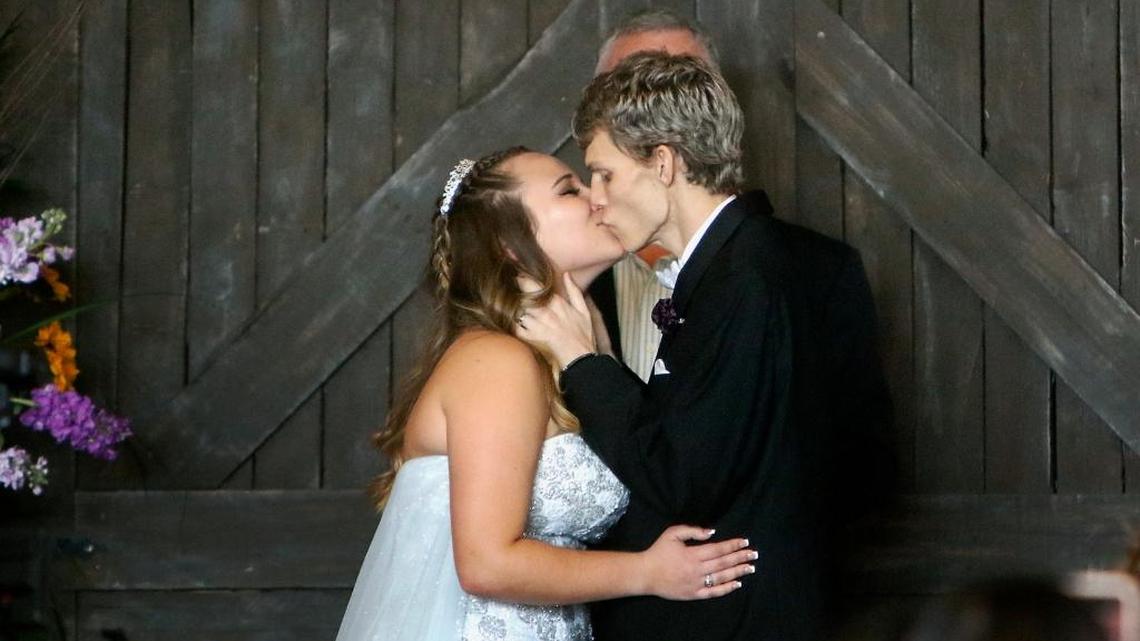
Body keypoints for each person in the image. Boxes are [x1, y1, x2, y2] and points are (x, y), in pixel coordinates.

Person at [517, 53, 894, 641]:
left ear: (663, 163)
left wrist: (585, 364)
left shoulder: (745, 277)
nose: (595, 197)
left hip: (737, 621)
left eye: (605, 173)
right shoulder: (751, 263)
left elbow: (686, 478)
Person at [333, 147, 757, 641]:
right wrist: (648, 572)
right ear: (508, 245)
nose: (598, 197)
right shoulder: (497, 361)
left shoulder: (568, 356)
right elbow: (487, 564)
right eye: (569, 190)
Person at [588, 9, 721, 382]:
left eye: (685, 91)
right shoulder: (561, 279)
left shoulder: (812, 274)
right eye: (633, 94)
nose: (663, 120)